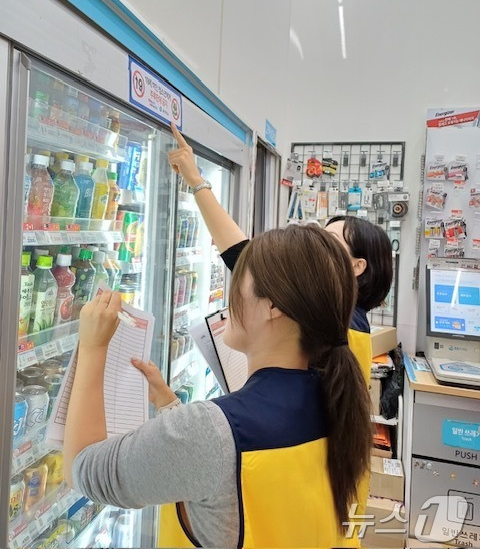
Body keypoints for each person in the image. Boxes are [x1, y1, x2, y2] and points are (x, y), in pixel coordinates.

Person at [64, 228, 371, 548]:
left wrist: (93, 345)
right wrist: (172, 411)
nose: (230, 295)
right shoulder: (338, 401)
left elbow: (81, 468)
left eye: (240, 281)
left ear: (273, 306)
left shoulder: (208, 431)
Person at [167, 123, 393, 384]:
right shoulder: (346, 316)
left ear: (357, 267)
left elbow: (244, 258)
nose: (316, 247)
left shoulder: (339, 322)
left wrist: (196, 180)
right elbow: (246, 258)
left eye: (329, 241)